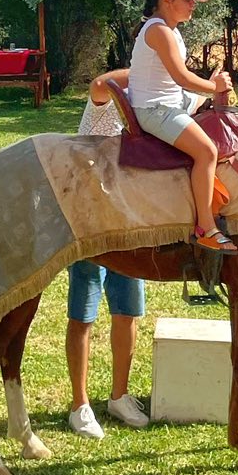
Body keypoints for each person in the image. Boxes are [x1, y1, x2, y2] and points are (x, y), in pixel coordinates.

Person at [65, 68, 150, 437]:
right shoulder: (108, 100)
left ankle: (119, 396)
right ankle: (79, 405)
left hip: (128, 220)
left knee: (128, 310)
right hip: (90, 220)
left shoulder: (154, 102)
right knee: (83, 313)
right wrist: (149, 67)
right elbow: (98, 86)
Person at [127, 0, 236, 254]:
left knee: (222, 114)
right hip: (155, 109)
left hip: (172, 100)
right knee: (206, 151)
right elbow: (182, 77)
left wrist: (212, 93)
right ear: (166, 0)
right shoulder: (159, 31)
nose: (192, 5)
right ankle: (206, 227)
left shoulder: (168, 29)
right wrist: (214, 86)